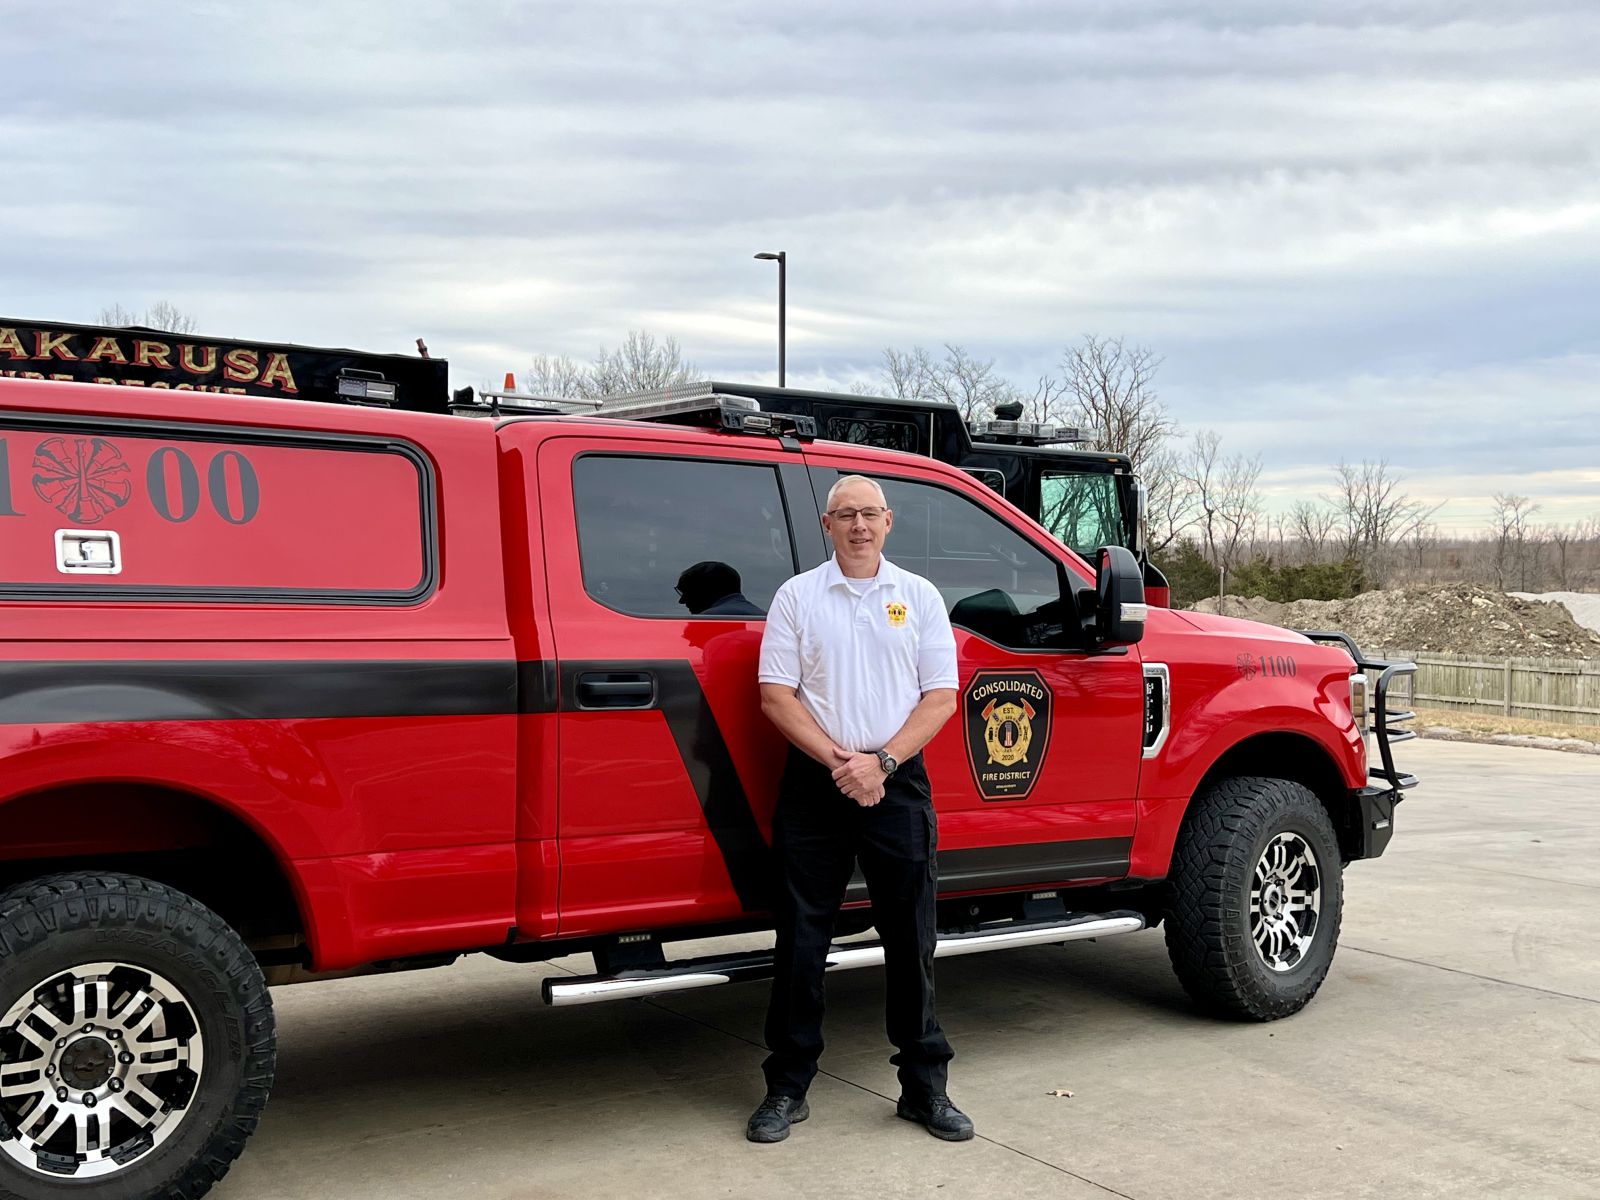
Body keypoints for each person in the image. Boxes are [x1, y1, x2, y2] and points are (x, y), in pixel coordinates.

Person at [747, 474, 970, 1144]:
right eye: (845, 515)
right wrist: (845, 765)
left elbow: (940, 697)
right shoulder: (797, 598)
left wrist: (883, 763)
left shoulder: (920, 598)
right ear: (827, 525)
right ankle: (787, 1087)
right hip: (818, 784)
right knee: (801, 941)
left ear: (889, 521)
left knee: (912, 940)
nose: (859, 526)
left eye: (869, 513)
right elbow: (776, 696)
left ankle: (925, 1088)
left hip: (896, 783)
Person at [676, 561, 764, 616]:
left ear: (706, 591)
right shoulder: (768, 619)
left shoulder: (709, 620)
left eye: (688, 593)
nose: (682, 601)